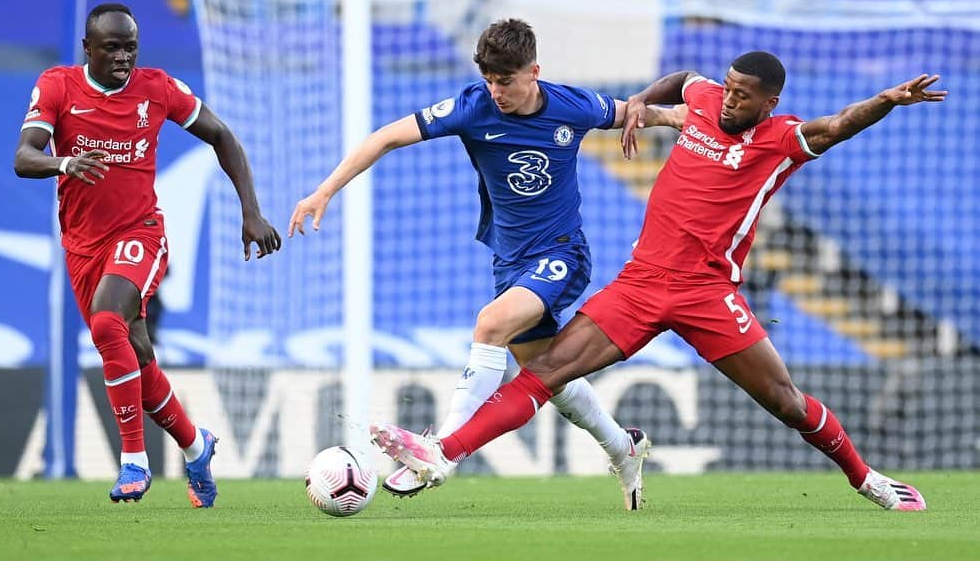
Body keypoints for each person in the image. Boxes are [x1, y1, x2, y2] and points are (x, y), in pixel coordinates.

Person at [370, 51, 946, 512]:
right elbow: (684, 80)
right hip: (641, 283)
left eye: (743, 96)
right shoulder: (705, 99)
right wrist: (644, 101)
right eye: (728, 86)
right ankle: (443, 453)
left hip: (707, 293)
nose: (728, 99)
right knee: (546, 371)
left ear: (770, 103)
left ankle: (865, 477)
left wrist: (886, 100)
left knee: (787, 403)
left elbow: (839, 124)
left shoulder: (781, 139)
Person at [290, 18, 684, 509]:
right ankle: (622, 446)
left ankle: (441, 451)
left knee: (490, 323)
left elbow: (633, 111)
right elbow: (385, 137)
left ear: (533, 71)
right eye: (490, 81)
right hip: (510, 262)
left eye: (507, 80)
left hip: (562, 252)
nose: (497, 92)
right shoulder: (472, 107)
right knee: (550, 375)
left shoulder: (571, 105)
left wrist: (681, 118)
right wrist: (324, 190)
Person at [14, 3, 282, 505]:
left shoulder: (157, 88)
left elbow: (221, 135)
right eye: (111, 47)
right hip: (82, 245)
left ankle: (134, 461)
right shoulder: (57, 86)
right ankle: (196, 445)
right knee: (135, 353)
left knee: (105, 325)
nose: (122, 57)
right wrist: (65, 162)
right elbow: (23, 157)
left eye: (130, 47)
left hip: (141, 233)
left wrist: (251, 211)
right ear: (87, 48)